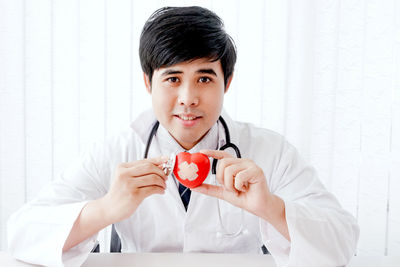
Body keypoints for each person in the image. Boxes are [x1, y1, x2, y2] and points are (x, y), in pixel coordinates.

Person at [7, 6, 359, 267]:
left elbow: (343, 241)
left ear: (228, 83)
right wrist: (106, 209)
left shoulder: (269, 150)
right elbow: (22, 234)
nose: (188, 97)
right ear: (148, 82)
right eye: (173, 78)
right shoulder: (116, 151)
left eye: (205, 78)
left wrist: (270, 208)